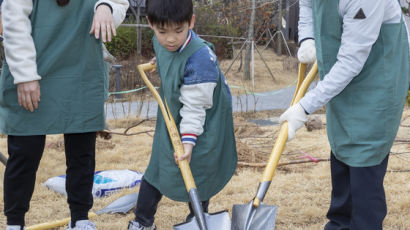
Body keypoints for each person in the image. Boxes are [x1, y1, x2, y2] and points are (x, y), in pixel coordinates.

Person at [279, 0, 409, 229]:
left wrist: (304, 107)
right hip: (343, 80)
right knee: (343, 150)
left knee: (364, 161)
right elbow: (307, 5)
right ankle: (339, 223)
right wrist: (307, 38)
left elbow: (351, 62)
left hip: (377, 79)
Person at [1, 0, 129, 229]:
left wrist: (106, 6)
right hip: (32, 70)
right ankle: (15, 223)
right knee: (24, 153)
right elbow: (14, 22)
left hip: (81, 70)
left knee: (83, 153)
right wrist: (25, 75)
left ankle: (80, 218)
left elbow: (119, 2)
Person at [127, 0, 237, 229]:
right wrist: (160, 62)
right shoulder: (162, 42)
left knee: (199, 168)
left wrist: (188, 141)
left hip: (204, 119)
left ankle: (197, 218)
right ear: (151, 24)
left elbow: (196, 107)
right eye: (162, 31)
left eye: (179, 31)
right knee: (158, 166)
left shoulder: (200, 60)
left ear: (191, 22)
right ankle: (142, 221)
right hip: (173, 113)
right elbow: (169, 56)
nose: (170, 39)